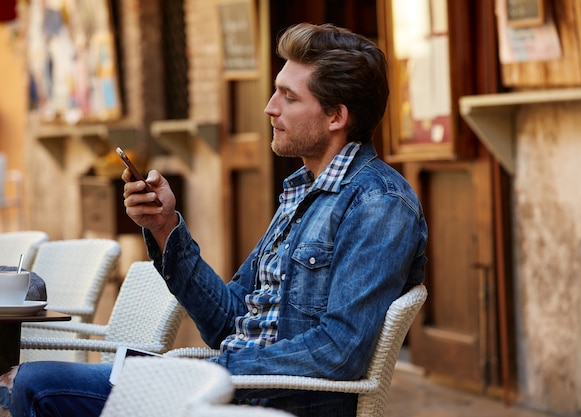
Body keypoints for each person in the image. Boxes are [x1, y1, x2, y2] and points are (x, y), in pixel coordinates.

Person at [0, 22, 427, 417]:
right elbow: (228, 321)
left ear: (336, 116)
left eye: (289, 97)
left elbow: (339, 351)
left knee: (34, 384)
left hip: (266, 403)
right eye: (276, 91)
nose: (269, 107)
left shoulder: (378, 204)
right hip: (225, 385)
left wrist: (207, 369)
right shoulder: (303, 192)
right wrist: (165, 228)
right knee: (24, 380)